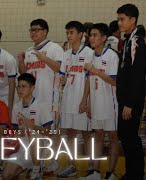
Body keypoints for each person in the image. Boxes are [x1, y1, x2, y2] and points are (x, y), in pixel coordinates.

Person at [17, 19, 63, 174]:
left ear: (45, 31)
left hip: (49, 98)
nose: (33, 33)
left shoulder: (54, 48)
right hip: (34, 100)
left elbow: (60, 68)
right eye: (31, 30)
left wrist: (45, 59)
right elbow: (25, 75)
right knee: (36, 131)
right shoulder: (29, 50)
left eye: (37, 29)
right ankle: (40, 162)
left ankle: (55, 161)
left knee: (51, 131)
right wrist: (20, 61)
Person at [57, 21, 94, 178]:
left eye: (71, 32)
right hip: (68, 98)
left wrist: (85, 100)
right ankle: (72, 164)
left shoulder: (89, 53)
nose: (69, 36)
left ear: (81, 34)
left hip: (81, 99)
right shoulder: (65, 55)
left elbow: (89, 79)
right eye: (67, 33)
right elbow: (63, 75)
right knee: (70, 132)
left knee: (86, 133)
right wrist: (63, 80)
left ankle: (92, 165)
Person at [83, 23, 119, 180]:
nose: (92, 38)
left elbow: (114, 81)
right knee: (97, 136)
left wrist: (95, 70)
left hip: (111, 104)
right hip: (96, 103)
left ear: (104, 38)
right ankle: (95, 172)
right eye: (90, 35)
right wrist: (87, 101)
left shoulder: (112, 56)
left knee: (112, 138)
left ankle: (110, 173)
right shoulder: (90, 55)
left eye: (95, 35)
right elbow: (89, 81)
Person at [1, 73, 53, 180]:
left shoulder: (41, 105)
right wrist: (15, 134)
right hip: (23, 149)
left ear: (32, 88)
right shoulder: (16, 107)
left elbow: (48, 133)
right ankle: (27, 167)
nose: (20, 89)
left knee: (34, 136)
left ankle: (37, 170)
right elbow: (16, 130)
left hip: (41, 148)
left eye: (24, 86)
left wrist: (32, 126)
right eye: (18, 86)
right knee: (6, 176)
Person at [116, 4, 146, 180]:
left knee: (131, 138)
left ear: (133, 19)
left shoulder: (137, 42)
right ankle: (131, 173)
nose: (119, 23)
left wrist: (129, 103)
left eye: (122, 19)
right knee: (126, 137)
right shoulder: (127, 40)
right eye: (118, 19)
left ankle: (136, 175)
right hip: (124, 99)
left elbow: (137, 75)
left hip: (131, 101)